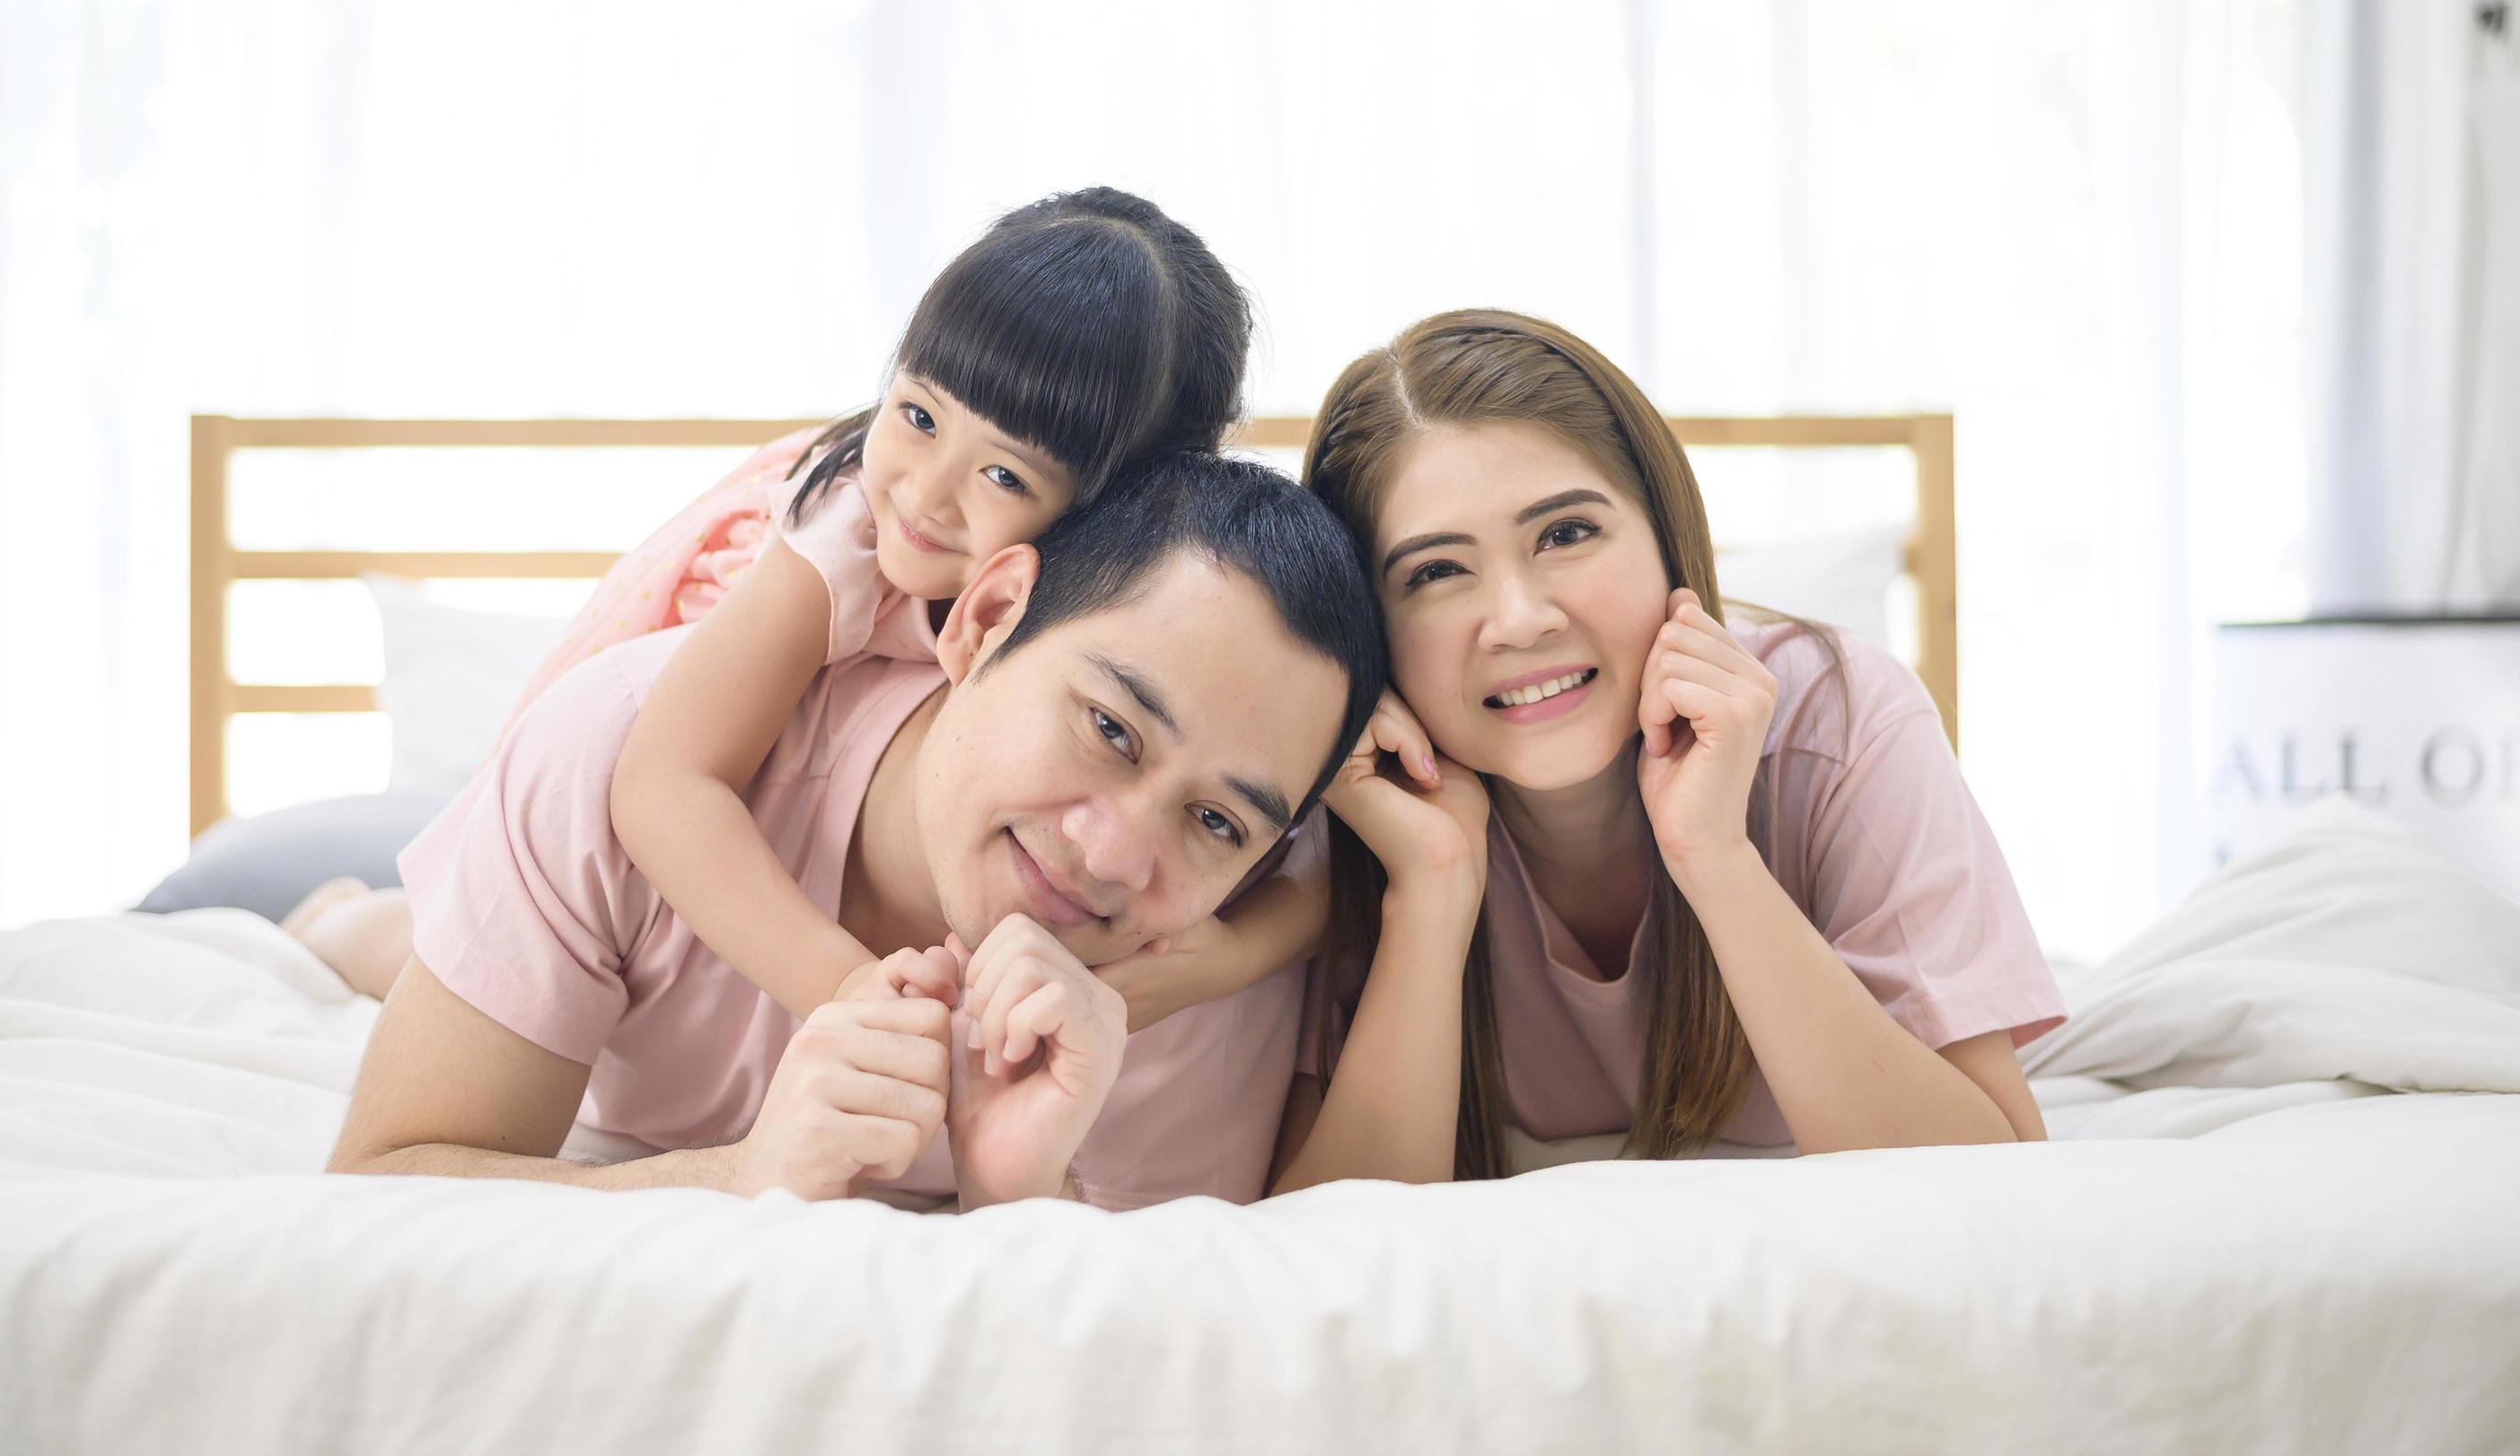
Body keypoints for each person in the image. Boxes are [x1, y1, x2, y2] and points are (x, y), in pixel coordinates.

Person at [319, 451, 1386, 1211]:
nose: (1110, 856)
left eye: (1212, 819)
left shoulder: (1220, 962)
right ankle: (335, 922)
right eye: (1110, 728)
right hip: (570, 882)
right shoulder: (619, 745)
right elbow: (380, 1188)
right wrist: (735, 1179)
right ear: (982, 619)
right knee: (398, 936)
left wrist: (1016, 1199)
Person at [1268, 310, 2065, 1191]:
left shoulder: (1840, 720)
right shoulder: (1345, 797)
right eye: (1434, 572)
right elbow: (1327, 1248)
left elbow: (1999, 1187)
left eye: (1565, 533)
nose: (1522, 618)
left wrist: (1713, 855)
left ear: (1665, 535)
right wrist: (1430, 887)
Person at [510, 188, 1326, 1040]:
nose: (927, 494)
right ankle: (352, 918)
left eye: (1005, 477)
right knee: (431, 937)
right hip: (679, 685)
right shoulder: (849, 531)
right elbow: (664, 783)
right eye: (919, 415)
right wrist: (854, 995)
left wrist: (1228, 959)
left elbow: (1319, 866)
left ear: (1119, 510)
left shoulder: (1180, 627)